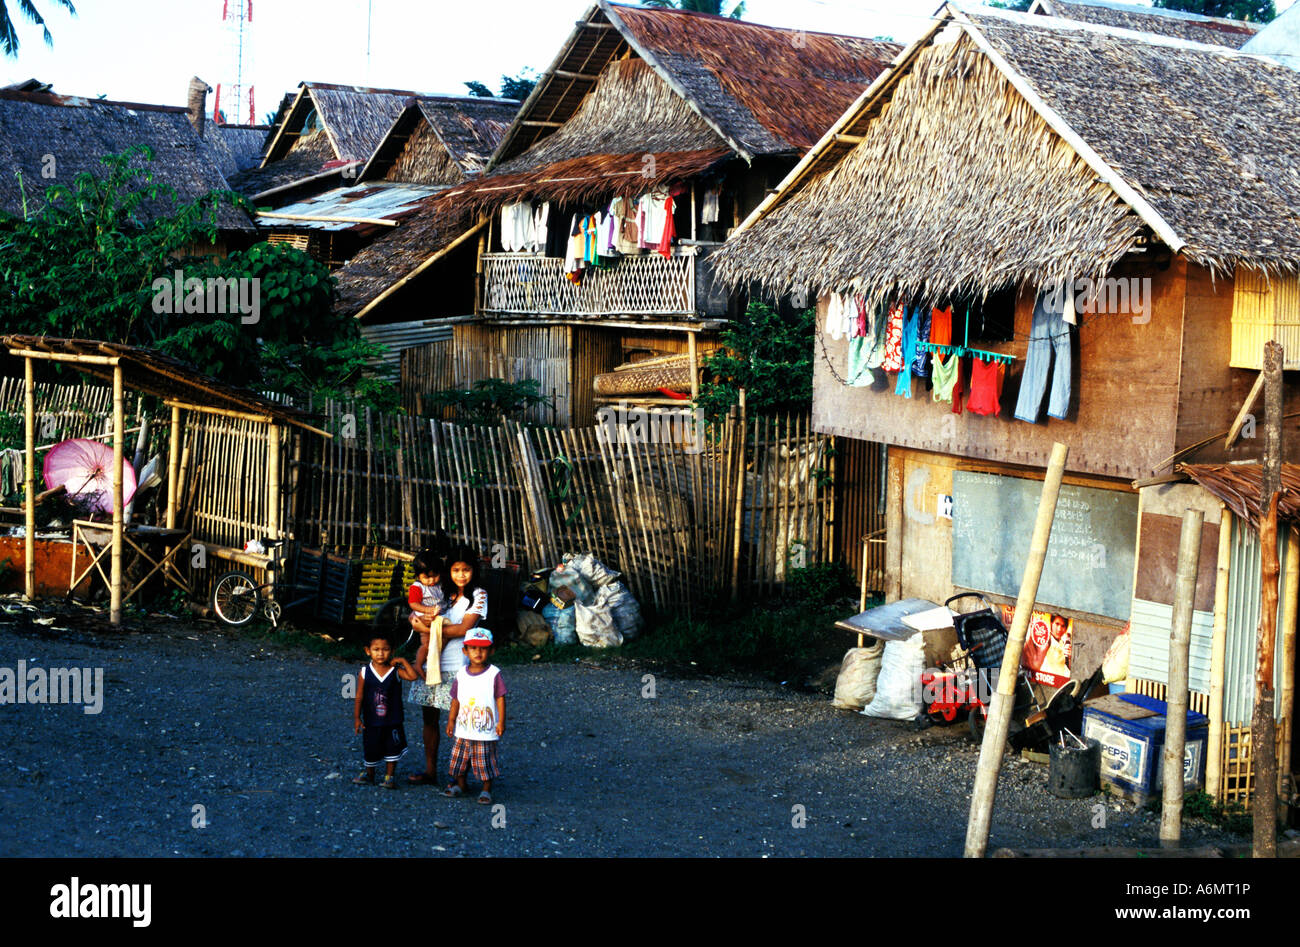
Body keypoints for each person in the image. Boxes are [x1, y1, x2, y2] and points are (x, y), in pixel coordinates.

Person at [406, 545, 488, 785]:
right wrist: (418, 622)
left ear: (474, 570)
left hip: (459, 664)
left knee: (461, 721)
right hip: (434, 661)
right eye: (455, 569)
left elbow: (464, 629)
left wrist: (429, 627)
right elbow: (414, 618)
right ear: (447, 570)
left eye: (466, 570)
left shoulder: (479, 594)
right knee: (429, 718)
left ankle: (458, 776)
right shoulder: (442, 591)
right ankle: (431, 771)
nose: (461, 575)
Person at [444, 627, 506, 804]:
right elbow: (455, 699)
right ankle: (461, 784)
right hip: (463, 729)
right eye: (473, 648)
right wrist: (451, 720)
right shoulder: (461, 673)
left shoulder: (494, 673)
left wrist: (501, 721)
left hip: (485, 731)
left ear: (491, 650)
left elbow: (500, 698)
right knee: (459, 761)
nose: (478, 652)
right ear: (465, 651)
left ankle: (486, 789)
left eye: (483, 648)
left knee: (484, 761)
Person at [353, 633, 419, 789]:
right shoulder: (364, 672)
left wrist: (403, 661)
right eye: (376, 649)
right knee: (371, 746)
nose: (381, 653)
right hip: (371, 719)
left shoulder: (395, 670)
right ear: (368, 651)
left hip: (392, 719)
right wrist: (357, 717)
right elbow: (359, 695)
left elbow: (413, 676)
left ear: (392, 651)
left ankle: (390, 776)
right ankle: (370, 774)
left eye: (385, 649)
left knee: (392, 748)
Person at [405, 550, 446, 785]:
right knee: (424, 644)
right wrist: (427, 612)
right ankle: (418, 665)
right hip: (424, 615)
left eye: (434, 576)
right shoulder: (417, 587)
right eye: (426, 577)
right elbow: (412, 603)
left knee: (431, 642)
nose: (431, 580)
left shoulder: (441, 586)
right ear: (418, 575)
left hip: (436, 620)